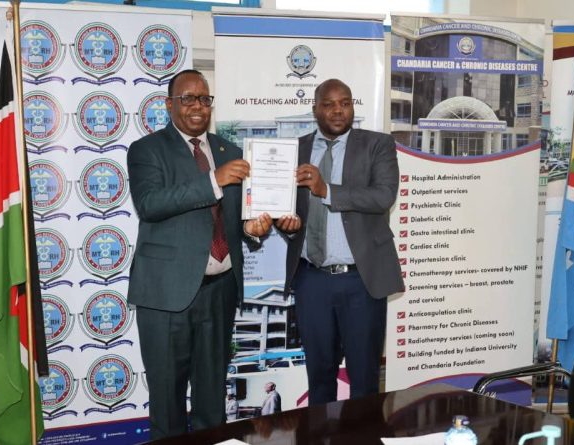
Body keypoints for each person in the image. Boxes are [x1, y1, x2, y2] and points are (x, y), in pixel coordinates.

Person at [127, 69, 276, 440]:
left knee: (212, 401)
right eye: (188, 98)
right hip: (166, 296)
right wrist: (213, 180)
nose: (197, 106)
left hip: (220, 291)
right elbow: (150, 204)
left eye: (204, 99)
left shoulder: (230, 152)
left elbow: (237, 220)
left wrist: (253, 230)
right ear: (169, 104)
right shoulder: (147, 150)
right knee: (168, 403)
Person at [281, 78, 404, 405]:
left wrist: (327, 190)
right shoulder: (296, 149)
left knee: (364, 380)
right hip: (312, 280)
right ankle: (321, 433)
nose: (338, 111)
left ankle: (362, 433)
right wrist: (286, 225)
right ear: (315, 110)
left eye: (345, 103)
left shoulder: (377, 145)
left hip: (360, 281)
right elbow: (288, 209)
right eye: (329, 104)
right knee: (319, 378)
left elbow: (383, 196)